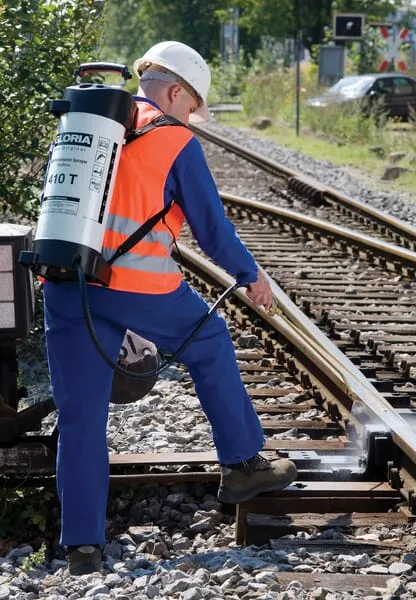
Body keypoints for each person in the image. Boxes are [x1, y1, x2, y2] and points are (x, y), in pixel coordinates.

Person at [43, 40, 297, 576]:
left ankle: (83, 549)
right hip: (138, 285)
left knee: (80, 416)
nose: (190, 118)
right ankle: (242, 464)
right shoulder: (175, 140)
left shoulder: (88, 124)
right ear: (177, 92)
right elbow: (212, 230)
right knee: (210, 342)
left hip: (67, 281)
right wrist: (252, 276)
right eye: (192, 107)